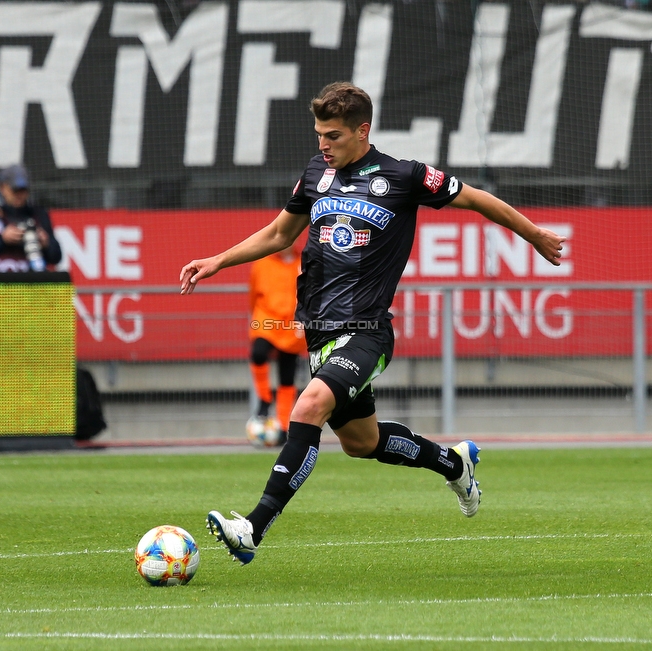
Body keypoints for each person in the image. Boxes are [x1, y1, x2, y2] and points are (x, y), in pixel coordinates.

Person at [179, 82, 565, 565]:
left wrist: (532, 235)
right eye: (319, 134)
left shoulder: (405, 177)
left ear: (363, 131)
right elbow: (281, 233)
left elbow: (475, 198)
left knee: (308, 406)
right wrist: (218, 260)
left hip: (366, 332)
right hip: (319, 335)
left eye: (333, 135)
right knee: (364, 443)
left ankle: (252, 527)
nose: (323, 144)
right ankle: (453, 462)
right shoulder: (316, 173)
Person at [246, 243, 307, 444]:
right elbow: (253, 294)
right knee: (258, 353)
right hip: (267, 319)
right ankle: (264, 399)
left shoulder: (303, 262)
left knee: (287, 377)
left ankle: (283, 426)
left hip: (292, 325)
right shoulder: (262, 263)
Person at [0, 164, 62, 272]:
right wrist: (2, 240)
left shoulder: (38, 215)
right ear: (2, 188)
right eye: (15, 190)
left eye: (22, 190)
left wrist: (46, 244)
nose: (19, 195)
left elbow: (56, 257)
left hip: (30, 282)